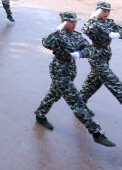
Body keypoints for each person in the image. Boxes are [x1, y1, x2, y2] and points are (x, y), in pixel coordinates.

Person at [34, 11, 115, 147]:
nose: (74, 24)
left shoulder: (76, 36)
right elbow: (46, 43)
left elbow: (90, 48)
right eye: (71, 22)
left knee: (54, 93)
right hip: (59, 69)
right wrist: (56, 31)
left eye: (75, 22)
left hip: (71, 69)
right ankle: (96, 133)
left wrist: (82, 53)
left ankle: (40, 114)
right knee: (76, 102)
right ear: (63, 22)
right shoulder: (58, 36)